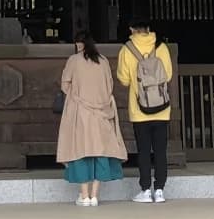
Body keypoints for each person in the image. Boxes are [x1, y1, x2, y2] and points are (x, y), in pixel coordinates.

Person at [58, 30, 125, 207]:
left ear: (78, 44)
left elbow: (65, 85)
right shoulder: (103, 61)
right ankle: (95, 196)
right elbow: (110, 86)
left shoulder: (74, 60)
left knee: (81, 152)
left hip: (81, 114)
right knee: (99, 153)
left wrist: (78, 96)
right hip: (102, 114)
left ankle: (84, 195)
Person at [116, 16, 174, 203]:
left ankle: (145, 190)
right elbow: (169, 75)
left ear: (132, 29)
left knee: (143, 151)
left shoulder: (127, 49)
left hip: (140, 109)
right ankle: (160, 190)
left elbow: (124, 80)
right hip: (162, 108)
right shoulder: (161, 48)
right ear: (148, 28)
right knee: (160, 151)